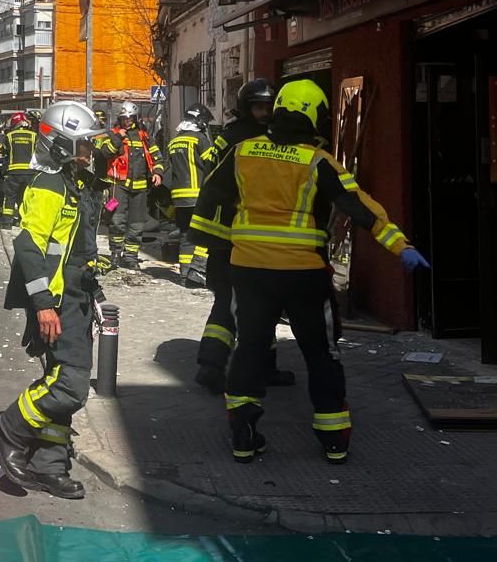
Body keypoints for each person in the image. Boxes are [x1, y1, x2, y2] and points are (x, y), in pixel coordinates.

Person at [205, 78, 427, 464]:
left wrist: (225, 242)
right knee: (320, 352)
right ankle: (333, 439)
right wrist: (400, 246)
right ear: (314, 118)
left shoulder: (242, 152)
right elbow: (359, 207)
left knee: (250, 349)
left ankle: (243, 435)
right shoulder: (318, 162)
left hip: (249, 270)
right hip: (303, 273)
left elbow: (211, 196)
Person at [0, 101, 111, 499]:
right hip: (54, 298)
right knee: (72, 385)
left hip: (77, 296)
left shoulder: (78, 183)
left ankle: (49, 464)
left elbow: (79, 248)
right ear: (61, 144)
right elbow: (28, 245)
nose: (90, 152)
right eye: (83, 145)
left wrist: (97, 293)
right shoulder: (48, 185)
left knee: (61, 379)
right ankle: (8, 429)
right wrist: (42, 304)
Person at [188, 80, 292, 392]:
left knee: (236, 301)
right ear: (248, 107)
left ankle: (215, 363)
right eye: (259, 107)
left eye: (269, 107)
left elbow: (210, 172)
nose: (265, 112)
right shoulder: (257, 140)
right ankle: (223, 366)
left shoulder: (230, 134)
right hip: (243, 236)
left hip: (225, 235)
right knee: (256, 300)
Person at [166, 104, 218, 286]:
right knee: (206, 232)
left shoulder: (174, 141)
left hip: (179, 199)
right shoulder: (199, 139)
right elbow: (212, 163)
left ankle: (184, 274)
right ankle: (198, 271)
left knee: (186, 234)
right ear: (199, 121)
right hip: (197, 195)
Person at [107, 102, 163, 268]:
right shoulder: (113, 134)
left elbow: (157, 157)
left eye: (130, 118)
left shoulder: (144, 136)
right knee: (117, 221)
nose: (127, 121)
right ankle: (115, 254)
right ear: (120, 119)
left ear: (136, 118)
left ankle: (130, 256)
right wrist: (118, 138)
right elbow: (104, 152)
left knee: (137, 223)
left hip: (139, 187)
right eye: (124, 118)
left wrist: (158, 173)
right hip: (119, 186)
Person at [0, 112, 39, 223]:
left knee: (10, 197)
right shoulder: (34, 136)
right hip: (29, 172)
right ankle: (24, 220)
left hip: (13, 172)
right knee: (25, 198)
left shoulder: (9, 136)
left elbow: (4, 151)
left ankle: (7, 222)